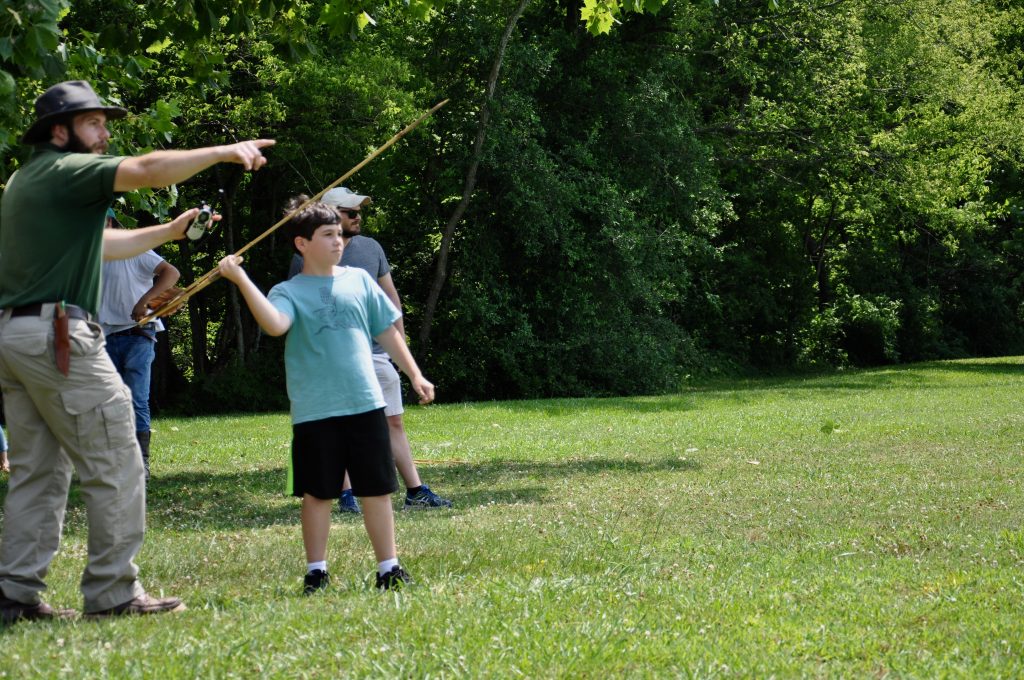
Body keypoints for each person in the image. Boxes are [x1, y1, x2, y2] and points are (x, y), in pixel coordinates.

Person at [0, 80, 273, 623]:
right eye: (94, 123)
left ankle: (13, 595)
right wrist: (225, 150)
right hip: (58, 335)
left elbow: (100, 246)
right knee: (119, 457)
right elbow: (147, 169)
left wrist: (169, 232)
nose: (105, 134)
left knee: (38, 471)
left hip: (16, 336)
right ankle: (112, 593)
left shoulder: (27, 181)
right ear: (60, 132)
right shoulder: (63, 169)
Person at [220, 197, 435, 594]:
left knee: (376, 488)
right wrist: (241, 280)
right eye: (328, 235)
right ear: (302, 243)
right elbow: (275, 325)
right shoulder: (287, 290)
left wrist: (415, 374)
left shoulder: (359, 281)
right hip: (316, 410)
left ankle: (389, 567)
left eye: (339, 234)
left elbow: (387, 330)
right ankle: (316, 571)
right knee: (318, 492)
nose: (339, 242)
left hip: (366, 402)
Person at [288, 187, 452, 514]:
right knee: (342, 425)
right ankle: (347, 495)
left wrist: (400, 351)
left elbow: (391, 300)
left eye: (358, 211)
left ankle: (415, 491)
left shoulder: (371, 248)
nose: (357, 216)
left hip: (376, 353)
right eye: (350, 211)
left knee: (393, 423)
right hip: (333, 358)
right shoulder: (305, 258)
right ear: (330, 213)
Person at [99, 209, 181, 482]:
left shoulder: (132, 249)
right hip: (104, 337)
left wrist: (144, 302)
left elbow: (171, 273)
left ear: (109, 222)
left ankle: (141, 464)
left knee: (136, 399)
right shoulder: (86, 257)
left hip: (138, 333)